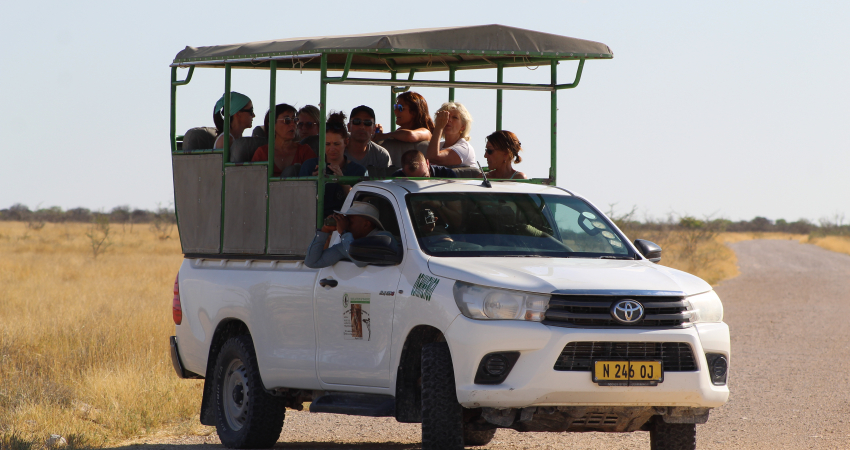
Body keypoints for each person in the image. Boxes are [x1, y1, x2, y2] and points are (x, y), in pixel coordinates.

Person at [299, 112, 366, 217]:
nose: (332, 149)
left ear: (346, 142)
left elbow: (362, 208)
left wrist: (343, 182)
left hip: (346, 224)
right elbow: (300, 203)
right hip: (314, 224)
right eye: (327, 144)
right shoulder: (309, 166)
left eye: (336, 144)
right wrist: (313, 184)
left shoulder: (359, 171)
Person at [304, 201, 398, 268]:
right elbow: (312, 262)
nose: (346, 224)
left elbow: (360, 261)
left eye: (350, 221)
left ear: (366, 224)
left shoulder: (383, 238)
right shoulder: (347, 244)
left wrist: (344, 232)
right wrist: (324, 231)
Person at [251, 104, 316, 176]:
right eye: (287, 120)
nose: (292, 124)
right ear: (272, 124)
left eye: (295, 120)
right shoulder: (262, 153)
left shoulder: (304, 151)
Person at [373, 91, 434, 166]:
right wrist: (379, 136)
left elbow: (410, 135)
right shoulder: (398, 133)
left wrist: (385, 136)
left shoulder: (426, 132)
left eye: (400, 108)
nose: (395, 111)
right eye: (395, 107)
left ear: (414, 112)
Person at [427, 102, 476, 168]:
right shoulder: (438, 146)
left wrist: (439, 127)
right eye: (446, 117)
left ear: (463, 126)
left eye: (455, 117)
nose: (449, 120)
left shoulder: (464, 148)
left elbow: (433, 157)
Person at [346, 105, 391, 170]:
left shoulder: (381, 155)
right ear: (348, 127)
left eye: (368, 123)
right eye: (356, 122)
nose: (362, 126)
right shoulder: (338, 151)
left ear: (374, 129)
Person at [391, 150, 456, 178]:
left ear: (427, 163)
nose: (420, 184)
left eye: (425, 177)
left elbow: (456, 205)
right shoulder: (396, 179)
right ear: (403, 172)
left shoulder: (447, 175)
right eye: (413, 180)